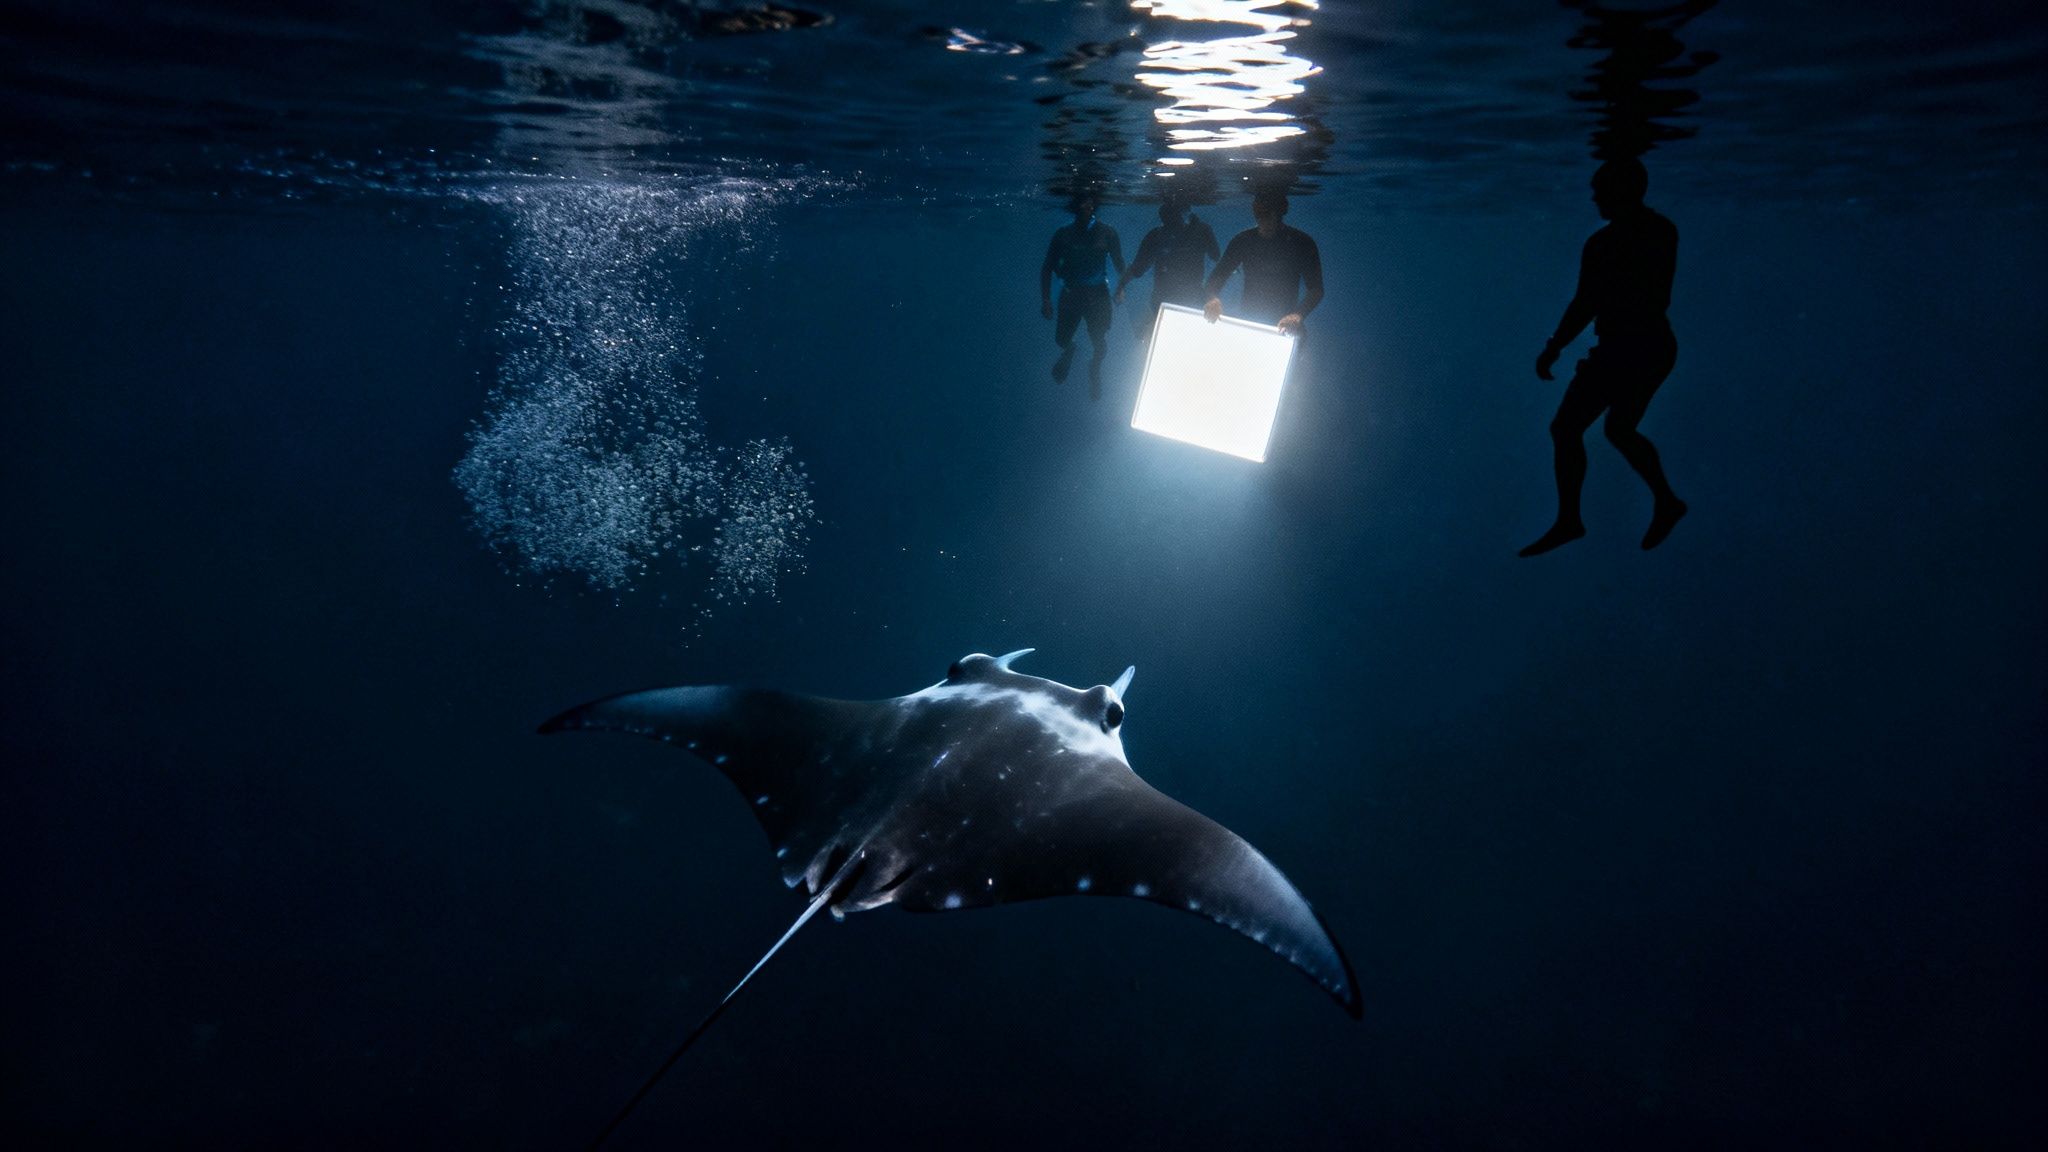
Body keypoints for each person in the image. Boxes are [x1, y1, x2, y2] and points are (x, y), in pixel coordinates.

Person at [1521, 157, 1687, 557]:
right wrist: (1556, 345)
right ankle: (1665, 501)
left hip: (1633, 348)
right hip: (1644, 347)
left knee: (1569, 429)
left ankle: (1571, 520)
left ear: (1623, 191)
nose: (1595, 199)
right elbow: (1588, 302)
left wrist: (1556, 346)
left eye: (1601, 192)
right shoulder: (1641, 235)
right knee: (1618, 429)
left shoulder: (1631, 239)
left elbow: (1591, 302)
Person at [1039, 192, 1125, 399]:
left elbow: (1119, 263)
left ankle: (1095, 369)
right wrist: (1046, 299)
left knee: (1099, 341)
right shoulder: (1063, 234)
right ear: (1076, 206)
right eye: (1082, 202)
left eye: (1090, 202)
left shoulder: (1108, 233)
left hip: (1098, 295)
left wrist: (1121, 288)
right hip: (1071, 294)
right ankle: (1069, 350)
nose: (1087, 207)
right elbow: (1047, 267)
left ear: (1094, 206)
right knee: (1061, 340)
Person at [1202, 187, 1322, 335]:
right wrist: (1212, 298)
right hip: (1250, 323)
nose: (1264, 220)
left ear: (1280, 212)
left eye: (1268, 214)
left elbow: (1316, 289)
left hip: (1287, 326)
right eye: (1259, 215)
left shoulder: (1301, 243)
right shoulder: (1243, 241)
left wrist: (1298, 315)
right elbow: (1216, 278)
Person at [1115, 193, 1219, 344]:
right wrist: (1121, 285)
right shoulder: (1159, 236)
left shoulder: (1198, 231)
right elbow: (1138, 268)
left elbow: (1137, 268)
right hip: (1171, 301)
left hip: (1183, 300)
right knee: (1172, 342)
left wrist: (1121, 285)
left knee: (1182, 343)